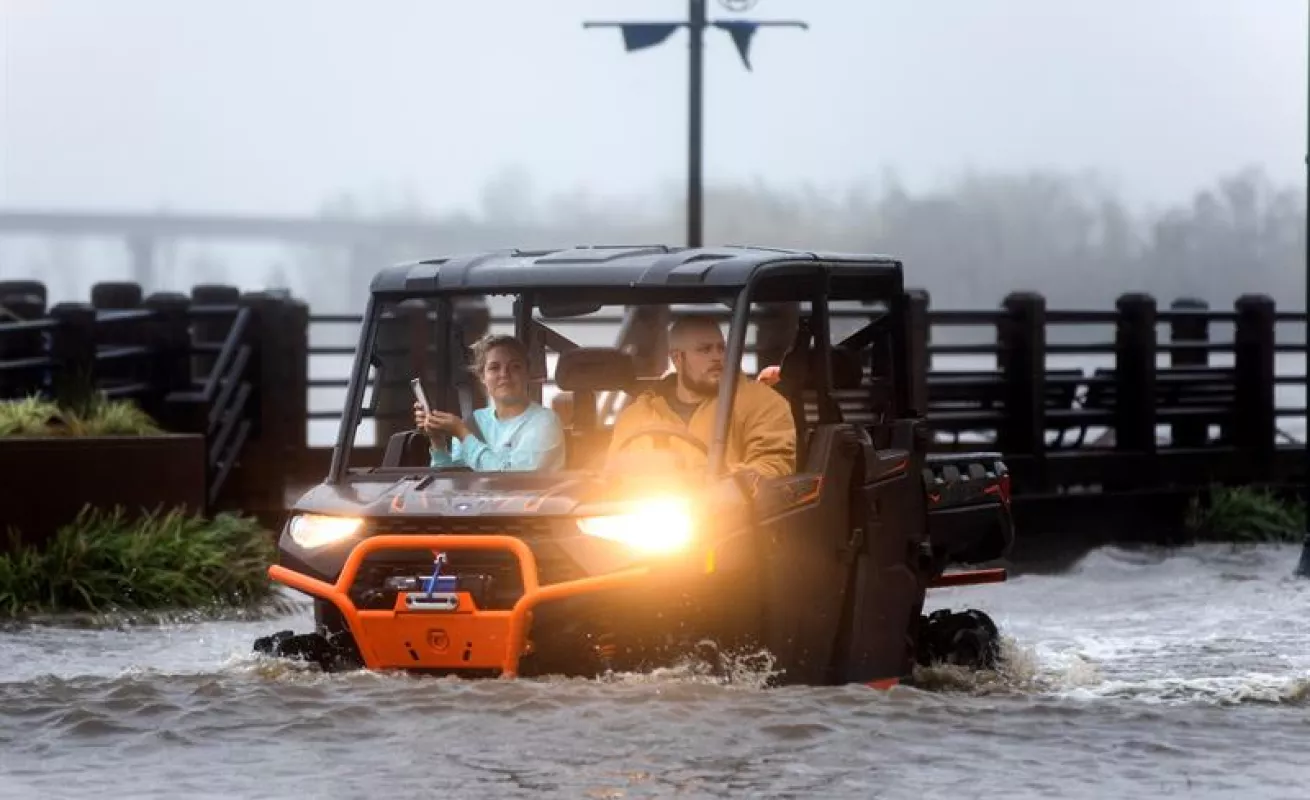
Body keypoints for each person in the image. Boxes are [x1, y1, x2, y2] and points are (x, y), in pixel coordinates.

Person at [606, 314, 796, 485]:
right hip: (643, 519)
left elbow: (772, 468)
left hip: (734, 517)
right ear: (677, 358)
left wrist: (714, 483)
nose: (717, 357)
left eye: (721, 348)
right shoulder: (639, 413)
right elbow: (613, 478)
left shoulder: (762, 403)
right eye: (704, 350)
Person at [414, 333, 566, 472]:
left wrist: (463, 434)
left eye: (515, 367)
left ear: (527, 373)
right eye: (494, 368)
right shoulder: (473, 422)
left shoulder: (544, 422)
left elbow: (515, 481)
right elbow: (453, 482)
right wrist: (437, 442)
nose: (504, 374)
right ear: (482, 376)